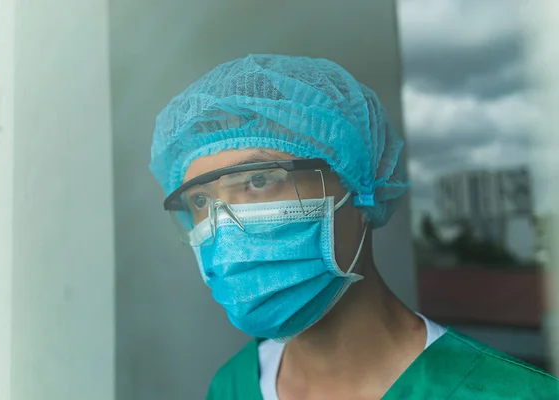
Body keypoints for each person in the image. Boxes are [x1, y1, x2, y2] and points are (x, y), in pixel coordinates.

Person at [149, 54, 559, 399]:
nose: (224, 229)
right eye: (200, 201)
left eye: (258, 180)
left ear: (361, 186)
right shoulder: (234, 386)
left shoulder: (507, 392)